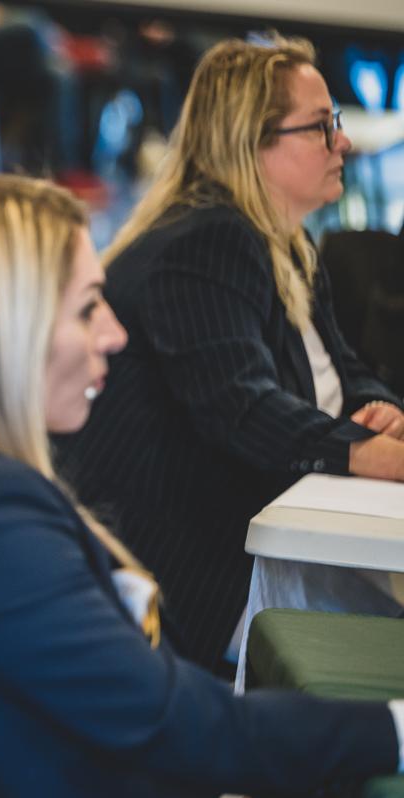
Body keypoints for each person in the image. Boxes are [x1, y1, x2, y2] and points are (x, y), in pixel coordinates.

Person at [0, 170, 404, 796]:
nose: (115, 334)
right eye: (89, 306)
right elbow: (175, 727)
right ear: (4, 330)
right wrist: (394, 730)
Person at [53, 35, 404, 674]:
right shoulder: (206, 241)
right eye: (322, 127)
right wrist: (366, 452)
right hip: (199, 576)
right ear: (251, 141)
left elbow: (343, 369)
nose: (343, 142)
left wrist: (379, 409)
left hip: (257, 544)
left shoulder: (285, 241)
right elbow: (239, 405)